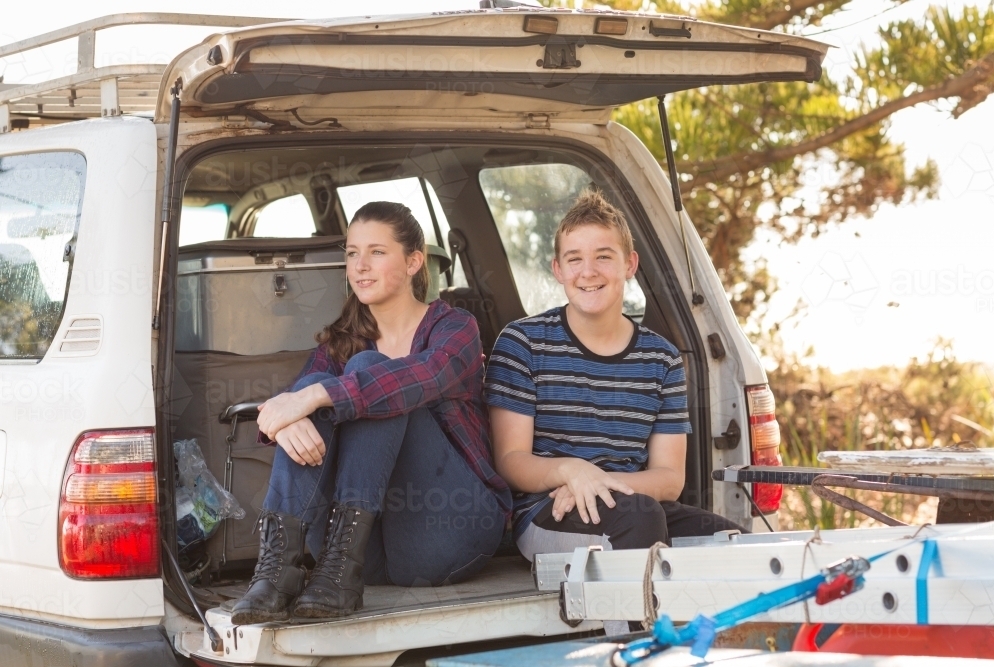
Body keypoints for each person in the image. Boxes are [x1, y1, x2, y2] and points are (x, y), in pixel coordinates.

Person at [231, 201, 511, 625]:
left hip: (449, 530)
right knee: (313, 389)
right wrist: (290, 415)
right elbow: (290, 405)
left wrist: (307, 402)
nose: (360, 266)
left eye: (377, 252)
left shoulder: (456, 329)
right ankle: (276, 571)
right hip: (355, 559)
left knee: (366, 375)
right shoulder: (341, 341)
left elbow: (419, 378)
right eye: (351, 253)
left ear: (414, 262)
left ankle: (321, 569)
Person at [484, 191, 743, 564]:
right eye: (575, 259)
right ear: (558, 269)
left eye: (604, 257)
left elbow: (669, 478)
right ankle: (638, 626)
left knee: (735, 544)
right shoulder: (522, 342)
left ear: (630, 264)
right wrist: (572, 472)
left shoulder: (662, 358)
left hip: (632, 502)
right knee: (640, 520)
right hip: (548, 512)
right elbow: (511, 461)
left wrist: (594, 482)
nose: (588, 272)